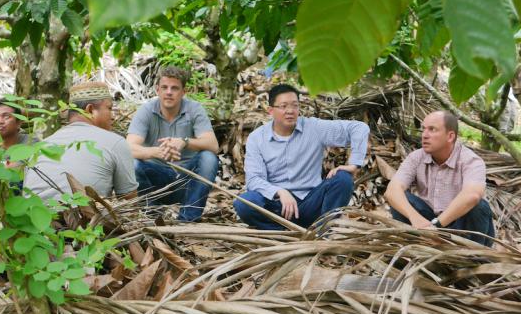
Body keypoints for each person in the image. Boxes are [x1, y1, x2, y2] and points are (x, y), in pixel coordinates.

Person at [233, 84, 369, 230]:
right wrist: (280, 192)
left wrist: (354, 164)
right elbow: (253, 180)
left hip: (312, 204)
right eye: (283, 106)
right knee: (245, 203)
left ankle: (323, 231)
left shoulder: (314, 128)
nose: (290, 111)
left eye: (295, 105)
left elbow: (359, 128)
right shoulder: (257, 138)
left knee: (343, 179)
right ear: (271, 110)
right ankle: (281, 234)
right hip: (278, 208)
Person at [384, 110, 494, 246]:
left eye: (432, 130)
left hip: (463, 228)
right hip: (427, 224)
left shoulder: (470, 160)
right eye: (423, 129)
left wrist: (437, 225)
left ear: (450, 136)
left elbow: (472, 195)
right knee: (401, 198)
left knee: (479, 206)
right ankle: (415, 249)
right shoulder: (416, 157)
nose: (424, 135)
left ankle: (475, 260)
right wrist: (416, 219)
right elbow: (392, 191)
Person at [127, 65, 219, 222]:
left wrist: (184, 142)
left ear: (184, 92)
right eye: (164, 87)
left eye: (174, 88)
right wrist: (156, 152)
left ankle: (188, 220)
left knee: (209, 158)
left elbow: (213, 145)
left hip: (186, 179)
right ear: (157, 90)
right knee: (133, 164)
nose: (169, 92)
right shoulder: (147, 110)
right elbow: (128, 148)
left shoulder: (194, 109)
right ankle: (153, 217)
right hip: (156, 180)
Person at [24, 82, 138, 202]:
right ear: (90, 110)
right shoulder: (116, 142)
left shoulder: (43, 145)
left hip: (33, 218)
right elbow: (130, 202)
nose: (113, 116)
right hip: (82, 218)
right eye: (109, 108)